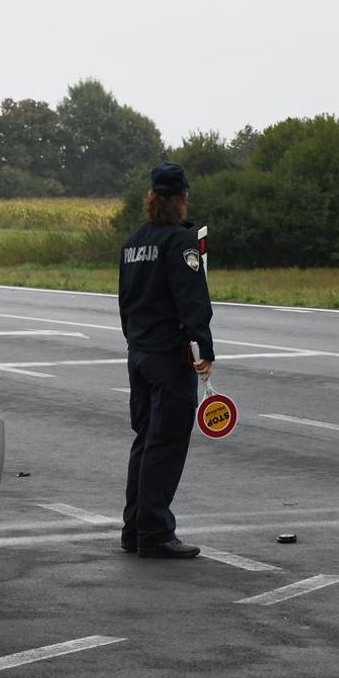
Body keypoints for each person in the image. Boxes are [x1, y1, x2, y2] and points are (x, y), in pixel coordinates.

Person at [117, 162, 215, 559]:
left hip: (138, 353)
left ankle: (134, 527)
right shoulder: (181, 242)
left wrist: (136, 342)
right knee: (167, 442)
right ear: (180, 198)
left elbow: (125, 302)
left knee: (144, 441)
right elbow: (192, 300)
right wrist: (204, 348)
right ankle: (155, 532)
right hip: (168, 358)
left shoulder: (133, 243)